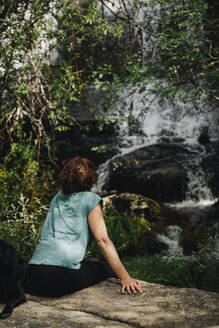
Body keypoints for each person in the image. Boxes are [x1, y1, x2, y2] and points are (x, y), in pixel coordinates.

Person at [27, 156, 142, 296]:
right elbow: (102, 241)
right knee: (106, 268)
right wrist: (125, 277)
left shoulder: (57, 197)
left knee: (88, 263)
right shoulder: (90, 199)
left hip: (33, 274)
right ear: (91, 179)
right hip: (59, 280)